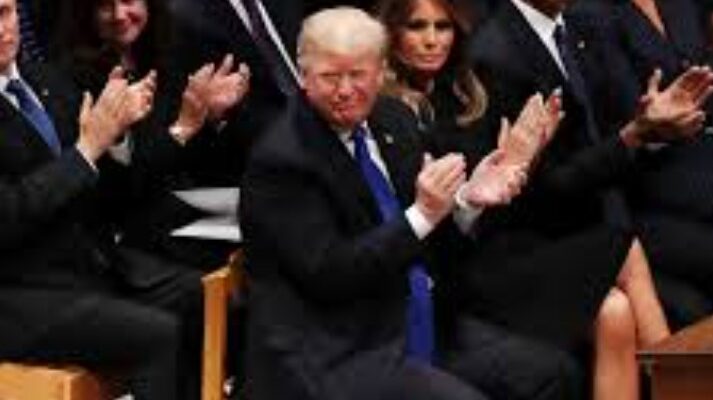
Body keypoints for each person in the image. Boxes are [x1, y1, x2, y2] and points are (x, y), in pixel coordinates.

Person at [241, 7, 583, 400]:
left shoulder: (394, 121)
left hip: (414, 316)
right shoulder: (283, 159)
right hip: (336, 349)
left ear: (380, 71)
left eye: (358, 75)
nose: (345, 90)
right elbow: (333, 275)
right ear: (304, 77)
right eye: (330, 77)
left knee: (553, 374)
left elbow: (432, 243)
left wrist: (466, 201)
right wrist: (424, 213)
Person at [468, 0, 713, 399]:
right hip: (526, 238)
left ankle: (680, 386)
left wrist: (651, 127)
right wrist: (635, 135)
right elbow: (537, 192)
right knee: (624, 262)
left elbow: (611, 134)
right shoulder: (496, 53)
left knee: (618, 300)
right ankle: (681, 390)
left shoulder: (578, 30)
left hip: (595, 214)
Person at [0, 0, 205, 399]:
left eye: (5, 12)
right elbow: (8, 214)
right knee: (156, 335)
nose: (2, 29)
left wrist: (118, 135)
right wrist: (87, 150)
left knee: (198, 296)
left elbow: (108, 198)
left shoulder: (45, 79)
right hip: (18, 289)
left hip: (85, 263)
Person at [55, 0, 249, 269]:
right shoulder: (74, 79)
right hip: (131, 228)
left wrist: (212, 116)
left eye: (127, 0)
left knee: (272, 208)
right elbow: (125, 191)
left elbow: (194, 159)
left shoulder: (171, 48)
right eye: (104, 5)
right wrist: (182, 129)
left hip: (188, 201)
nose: (119, 15)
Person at [612, 0, 713, 327]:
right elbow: (611, 127)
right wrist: (650, 130)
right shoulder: (586, 16)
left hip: (699, 161)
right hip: (643, 191)